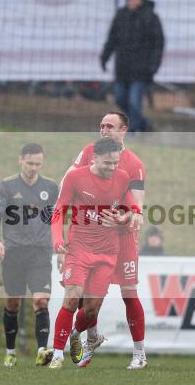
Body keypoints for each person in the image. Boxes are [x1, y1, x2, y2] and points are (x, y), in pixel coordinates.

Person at [48, 137, 140, 370]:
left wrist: (125, 217)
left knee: (90, 310)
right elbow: (59, 211)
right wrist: (58, 239)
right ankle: (57, 355)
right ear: (94, 158)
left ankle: (75, 333)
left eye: (115, 163)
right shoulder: (75, 177)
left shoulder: (121, 178)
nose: (112, 168)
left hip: (108, 254)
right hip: (79, 249)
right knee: (71, 297)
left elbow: (132, 209)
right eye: (107, 163)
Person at [66, 111, 148, 370]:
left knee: (129, 294)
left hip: (122, 238)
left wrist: (123, 219)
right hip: (90, 236)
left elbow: (137, 209)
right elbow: (68, 181)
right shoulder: (89, 151)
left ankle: (139, 354)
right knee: (86, 297)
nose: (104, 130)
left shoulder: (134, 164)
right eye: (101, 125)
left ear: (123, 130)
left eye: (110, 126)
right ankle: (91, 339)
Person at [0, 143, 59, 367]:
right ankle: (10, 352)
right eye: (30, 163)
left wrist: (60, 245)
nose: (34, 168)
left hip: (40, 253)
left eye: (38, 164)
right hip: (14, 253)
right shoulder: (7, 186)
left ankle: (41, 351)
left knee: (41, 300)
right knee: (13, 303)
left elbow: (57, 220)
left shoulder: (50, 187)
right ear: (21, 160)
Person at [100, 0, 165, 133]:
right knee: (120, 99)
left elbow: (158, 45)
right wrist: (105, 56)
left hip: (141, 70)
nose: (133, 2)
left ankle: (133, 131)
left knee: (134, 103)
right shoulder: (121, 16)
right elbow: (112, 39)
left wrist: (153, 66)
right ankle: (144, 124)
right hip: (122, 69)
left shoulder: (150, 17)